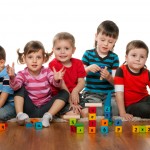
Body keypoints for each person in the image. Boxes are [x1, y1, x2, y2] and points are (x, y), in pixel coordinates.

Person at [7, 41, 69, 127]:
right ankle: (20, 115)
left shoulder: (47, 71)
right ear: (24, 59)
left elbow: (55, 83)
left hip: (46, 108)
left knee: (64, 92)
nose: (34, 61)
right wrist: (13, 78)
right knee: (19, 88)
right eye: (30, 57)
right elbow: (15, 86)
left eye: (38, 57)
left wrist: (56, 79)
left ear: (43, 59)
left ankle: (48, 116)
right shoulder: (22, 74)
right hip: (29, 109)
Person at [81, 20, 119, 116]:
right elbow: (79, 76)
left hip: (109, 94)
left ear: (115, 42)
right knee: (94, 110)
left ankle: (103, 112)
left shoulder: (114, 57)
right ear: (96, 36)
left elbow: (116, 82)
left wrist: (109, 77)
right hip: (91, 93)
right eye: (102, 40)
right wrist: (88, 69)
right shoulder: (88, 54)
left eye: (110, 42)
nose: (106, 44)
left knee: (114, 110)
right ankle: (100, 112)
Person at [49, 32, 88, 117]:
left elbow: (81, 81)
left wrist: (75, 91)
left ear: (73, 50)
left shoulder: (78, 63)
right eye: (58, 49)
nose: (62, 52)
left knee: (86, 112)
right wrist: (71, 102)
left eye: (66, 48)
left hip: (75, 94)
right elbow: (61, 86)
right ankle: (58, 114)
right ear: (53, 50)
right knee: (74, 114)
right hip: (61, 97)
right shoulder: (53, 64)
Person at [114, 40, 150, 120]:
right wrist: (122, 113)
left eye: (142, 57)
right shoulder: (120, 71)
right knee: (146, 109)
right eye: (134, 55)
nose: (138, 59)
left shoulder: (147, 73)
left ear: (146, 59)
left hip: (145, 99)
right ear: (126, 57)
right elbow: (119, 94)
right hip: (131, 105)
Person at [0, 46, 16, 121]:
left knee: (1, 114)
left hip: (11, 104)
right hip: (2, 103)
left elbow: (2, 99)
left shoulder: (7, 75)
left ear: (1, 62)